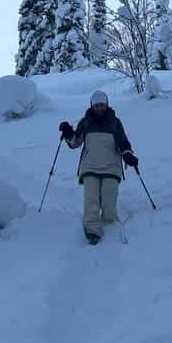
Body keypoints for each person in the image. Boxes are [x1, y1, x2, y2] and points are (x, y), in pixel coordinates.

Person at [59, 91, 138, 245]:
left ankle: (110, 227)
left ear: (106, 104)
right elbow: (75, 143)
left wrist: (128, 155)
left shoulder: (115, 122)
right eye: (96, 105)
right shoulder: (86, 122)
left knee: (109, 205)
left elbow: (123, 142)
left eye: (101, 104)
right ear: (91, 106)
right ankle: (92, 229)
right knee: (91, 200)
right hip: (90, 167)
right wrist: (68, 134)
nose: (99, 108)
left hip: (111, 167)